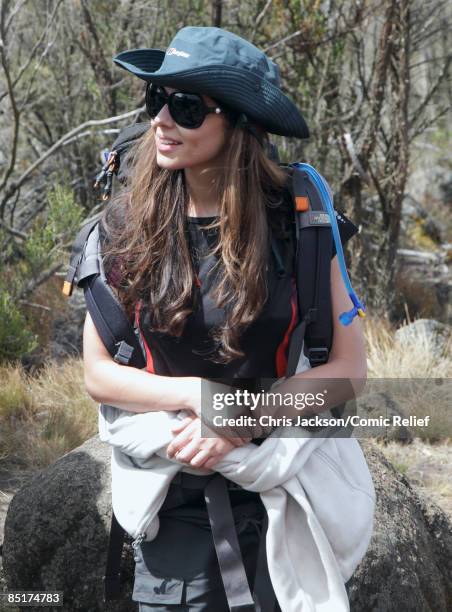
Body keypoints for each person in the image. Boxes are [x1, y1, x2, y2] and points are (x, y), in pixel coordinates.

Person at [83, 26, 367, 611]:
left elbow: (348, 369)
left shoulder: (301, 221)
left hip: (284, 485)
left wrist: (245, 414)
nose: (162, 120)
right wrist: (202, 397)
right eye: (155, 100)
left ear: (240, 124)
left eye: (185, 106)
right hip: (173, 492)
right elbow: (99, 374)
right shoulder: (127, 223)